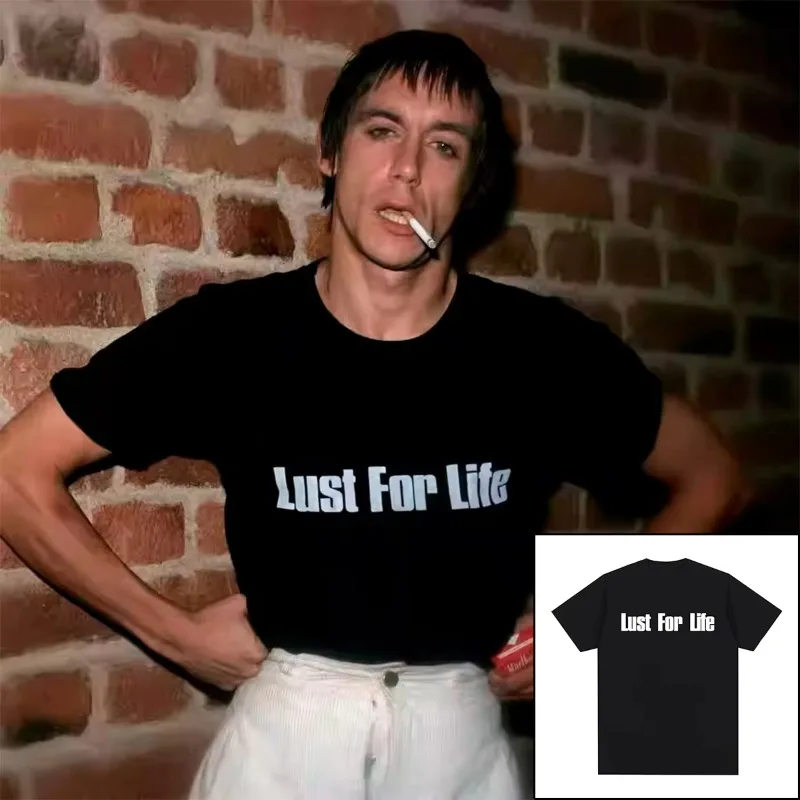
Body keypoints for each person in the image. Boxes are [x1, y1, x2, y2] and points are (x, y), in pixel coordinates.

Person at [0, 28, 752, 800]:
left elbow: (714, 479)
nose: (408, 169)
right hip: (283, 742)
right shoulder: (234, 334)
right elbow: (14, 473)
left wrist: (586, 627)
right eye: (382, 130)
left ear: (473, 182)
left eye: (445, 146)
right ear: (331, 152)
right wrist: (175, 636)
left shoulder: (539, 346)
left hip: (463, 746)